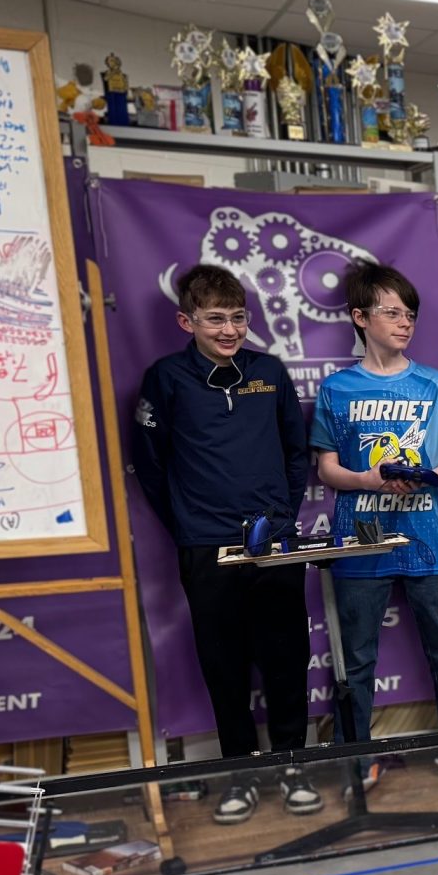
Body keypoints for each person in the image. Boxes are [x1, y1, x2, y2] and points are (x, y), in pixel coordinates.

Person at [131, 262, 320, 824]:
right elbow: (149, 465)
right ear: (186, 320)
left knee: (287, 657)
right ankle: (240, 770)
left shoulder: (269, 372)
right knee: (224, 664)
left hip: (274, 542)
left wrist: (281, 515)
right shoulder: (165, 378)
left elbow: (295, 452)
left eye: (238, 317)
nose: (229, 330)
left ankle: (292, 764)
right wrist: (190, 526)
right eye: (215, 319)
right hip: (206, 546)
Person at [310, 262, 438, 785]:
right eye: (391, 312)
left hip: (427, 540)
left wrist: (429, 476)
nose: (404, 322)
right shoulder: (336, 389)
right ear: (359, 317)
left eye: (409, 314)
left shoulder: (436, 384)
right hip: (358, 542)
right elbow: (326, 466)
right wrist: (370, 479)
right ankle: (355, 759)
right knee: (357, 659)